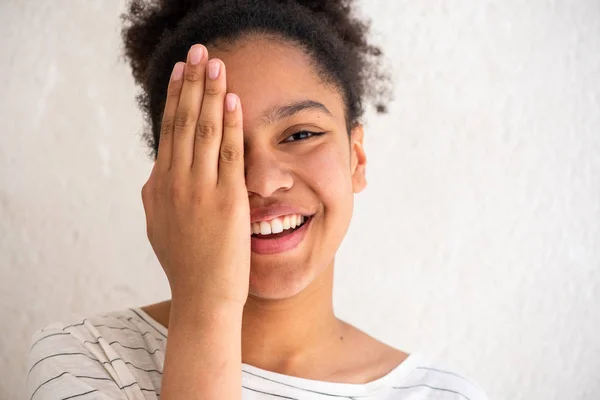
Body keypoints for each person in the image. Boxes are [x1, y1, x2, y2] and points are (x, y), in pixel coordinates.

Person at [26, 0, 490, 399]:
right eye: (221, 150)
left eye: (300, 134)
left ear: (357, 158)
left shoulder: (443, 393)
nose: (264, 182)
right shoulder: (83, 358)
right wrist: (207, 305)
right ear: (170, 182)